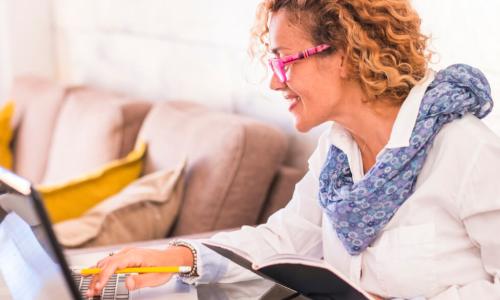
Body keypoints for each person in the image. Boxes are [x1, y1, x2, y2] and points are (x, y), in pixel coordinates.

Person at [87, 0, 500, 298]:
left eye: (284, 60)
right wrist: (175, 257)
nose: (274, 82)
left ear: (345, 56)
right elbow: (283, 242)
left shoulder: (466, 152)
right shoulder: (336, 153)